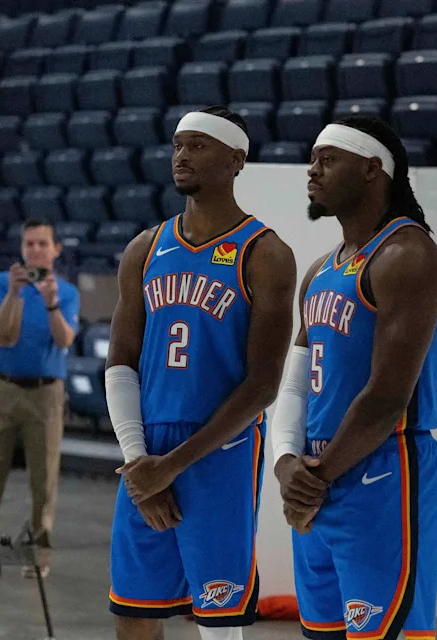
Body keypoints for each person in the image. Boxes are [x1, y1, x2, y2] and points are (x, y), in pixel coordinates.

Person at [105, 106, 296, 640]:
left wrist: (170, 468)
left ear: (236, 160)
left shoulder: (265, 254)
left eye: (198, 145)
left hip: (221, 449)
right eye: (178, 145)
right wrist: (141, 462)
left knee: (217, 614)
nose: (182, 156)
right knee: (133, 610)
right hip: (146, 445)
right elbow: (120, 362)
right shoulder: (145, 248)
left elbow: (263, 384)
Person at [271, 116, 437, 640]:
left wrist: (314, 479)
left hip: (382, 470)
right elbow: (295, 381)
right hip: (317, 472)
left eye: (328, 159)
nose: (312, 170)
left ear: (373, 169)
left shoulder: (407, 255)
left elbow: (386, 398)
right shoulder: (321, 270)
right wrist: (287, 463)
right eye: (312, 158)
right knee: (322, 635)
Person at [0, 218, 80, 578]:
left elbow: (65, 339)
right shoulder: (2, 284)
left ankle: (38, 553)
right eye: (29, 244)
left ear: (55, 250)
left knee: (43, 476)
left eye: (42, 244)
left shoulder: (66, 292)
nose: (35, 250)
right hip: (2, 387)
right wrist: (15, 294)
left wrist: (51, 305)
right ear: (21, 249)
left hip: (46, 392)